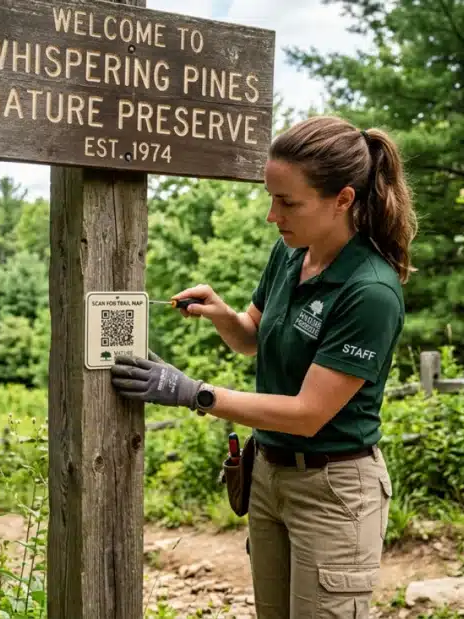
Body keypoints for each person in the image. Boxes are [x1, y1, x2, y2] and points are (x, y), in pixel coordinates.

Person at [110, 115, 417, 619]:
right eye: (271, 198)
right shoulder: (291, 253)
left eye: (288, 202)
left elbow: (307, 413)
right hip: (270, 476)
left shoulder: (370, 291)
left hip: (332, 488)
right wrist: (224, 315)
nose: (273, 216)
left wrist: (194, 393)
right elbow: (253, 338)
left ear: (343, 199)